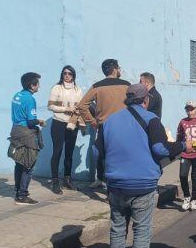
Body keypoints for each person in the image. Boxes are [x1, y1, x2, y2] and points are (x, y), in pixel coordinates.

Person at [99, 84, 191, 248]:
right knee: (141, 230)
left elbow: (99, 153)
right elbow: (160, 149)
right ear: (146, 100)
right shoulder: (151, 119)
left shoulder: (109, 121)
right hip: (142, 185)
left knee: (118, 227)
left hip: (115, 184)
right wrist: (184, 145)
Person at [78, 59, 130, 189]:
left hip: (103, 127)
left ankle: (103, 181)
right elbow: (135, 104)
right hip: (123, 127)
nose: (120, 70)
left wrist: (92, 121)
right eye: (119, 68)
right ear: (115, 69)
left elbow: (82, 106)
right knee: (119, 157)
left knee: (103, 155)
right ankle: (114, 186)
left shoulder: (97, 86)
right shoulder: (127, 85)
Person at [8, 72, 45, 205]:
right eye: (38, 84)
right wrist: (40, 121)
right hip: (26, 133)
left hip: (15, 130)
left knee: (19, 162)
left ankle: (18, 190)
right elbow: (30, 121)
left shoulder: (17, 95)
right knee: (29, 164)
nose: (39, 87)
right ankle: (22, 196)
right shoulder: (30, 99)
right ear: (32, 85)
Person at [47, 65, 84, 193]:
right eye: (64, 73)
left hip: (72, 123)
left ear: (74, 75)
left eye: (70, 73)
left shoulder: (78, 89)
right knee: (57, 151)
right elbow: (50, 106)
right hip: (59, 123)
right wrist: (66, 109)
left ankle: (67, 180)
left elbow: (81, 106)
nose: (67, 76)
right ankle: (55, 182)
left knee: (69, 152)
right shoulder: (57, 88)